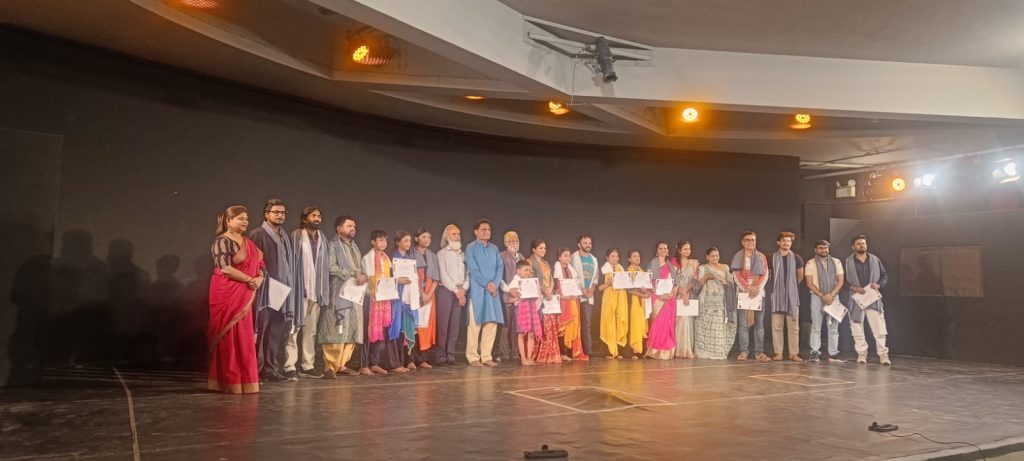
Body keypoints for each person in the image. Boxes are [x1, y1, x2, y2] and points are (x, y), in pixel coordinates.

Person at [207, 206, 264, 394]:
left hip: (245, 294)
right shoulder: (222, 241)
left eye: (246, 218)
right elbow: (224, 268)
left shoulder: (249, 243)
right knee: (228, 337)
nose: (245, 221)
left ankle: (246, 381)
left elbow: (261, 264)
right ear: (228, 221)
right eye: (240, 218)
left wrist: (259, 278)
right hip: (227, 293)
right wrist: (249, 279)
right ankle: (228, 381)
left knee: (244, 337)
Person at [248, 199, 300, 382]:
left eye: (283, 213)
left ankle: (270, 370)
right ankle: (254, 371)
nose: (280, 215)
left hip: (281, 291)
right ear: (266, 214)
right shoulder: (258, 234)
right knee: (260, 331)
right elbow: (253, 263)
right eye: (276, 212)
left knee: (276, 331)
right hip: (264, 291)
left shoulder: (284, 236)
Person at [319, 215, 367, 378]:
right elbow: (331, 267)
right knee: (335, 328)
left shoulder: (355, 247)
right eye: (349, 226)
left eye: (354, 226)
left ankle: (342, 365)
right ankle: (330, 367)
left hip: (354, 294)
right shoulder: (332, 245)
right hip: (337, 294)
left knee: (352, 328)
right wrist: (353, 274)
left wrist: (363, 276)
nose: (353, 228)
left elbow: (359, 269)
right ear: (339, 229)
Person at [286, 207, 329, 378]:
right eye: (313, 215)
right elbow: (291, 262)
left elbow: (324, 266)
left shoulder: (322, 238)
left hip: (316, 291)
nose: (317, 218)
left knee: (311, 331)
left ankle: (307, 365)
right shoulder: (296, 235)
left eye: (319, 216)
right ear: (305, 219)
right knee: (293, 328)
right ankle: (289, 365)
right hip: (299, 290)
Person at [361, 230, 404, 374]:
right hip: (371, 299)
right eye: (380, 240)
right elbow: (366, 279)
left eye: (385, 240)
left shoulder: (386, 258)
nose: (384, 243)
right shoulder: (367, 258)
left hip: (384, 299)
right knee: (369, 332)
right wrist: (372, 293)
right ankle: (365, 364)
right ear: (373, 242)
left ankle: (375, 363)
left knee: (380, 331)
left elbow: (389, 278)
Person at [464, 219, 505, 367]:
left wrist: (495, 284)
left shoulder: (494, 248)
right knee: (475, 324)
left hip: (493, 291)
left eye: (488, 229)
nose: (486, 232)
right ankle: (473, 357)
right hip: (478, 291)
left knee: (491, 323)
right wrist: (487, 284)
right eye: (483, 229)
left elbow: (500, 268)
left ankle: (486, 356)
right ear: (476, 231)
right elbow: (473, 270)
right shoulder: (471, 248)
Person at [846, 235, 891, 365]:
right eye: (859, 244)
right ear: (853, 247)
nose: (862, 245)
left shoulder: (875, 259)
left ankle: (883, 355)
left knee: (879, 328)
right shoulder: (848, 262)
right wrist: (854, 288)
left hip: (872, 298)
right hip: (856, 299)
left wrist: (879, 285)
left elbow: (884, 275)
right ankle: (861, 354)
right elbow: (842, 280)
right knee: (857, 328)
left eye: (863, 243)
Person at [731, 230, 770, 362]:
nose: (750, 242)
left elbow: (765, 274)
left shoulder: (761, 256)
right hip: (743, 294)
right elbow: (736, 275)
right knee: (743, 324)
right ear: (742, 242)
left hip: (758, 293)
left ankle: (759, 352)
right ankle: (744, 351)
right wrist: (748, 288)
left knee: (759, 324)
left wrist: (756, 288)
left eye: (753, 240)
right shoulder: (738, 256)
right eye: (747, 240)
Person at [805, 239, 845, 363]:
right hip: (817, 296)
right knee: (816, 326)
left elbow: (840, 281)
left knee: (833, 327)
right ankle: (814, 352)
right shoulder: (810, 263)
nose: (824, 250)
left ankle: (833, 354)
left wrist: (831, 295)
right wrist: (822, 295)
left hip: (834, 297)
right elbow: (809, 283)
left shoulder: (837, 262)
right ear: (815, 250)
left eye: (826, 248)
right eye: (821, 248)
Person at [694, 247, 737, 360]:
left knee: (719, 326)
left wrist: (725, 282)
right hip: (707, 301)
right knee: (706, 326)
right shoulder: (703, 268)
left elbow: (731, 284)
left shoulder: (725, 267)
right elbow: (697, 286)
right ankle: (704, 352)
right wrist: (706, 277)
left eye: (717, 255)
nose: (715, 258)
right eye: (712, 256)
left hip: (721, 301)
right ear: (707, 257)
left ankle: (718, 352)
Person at [768, 231, 804, 362]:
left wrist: (790, 289)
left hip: (792, 298)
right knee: (777, 327)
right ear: (778, 242)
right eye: (784, 241)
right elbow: (769, 276)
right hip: (777, 297)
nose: (786, 243)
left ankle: (793, 353)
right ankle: (778, 353)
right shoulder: (771, 257)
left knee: (794, 327)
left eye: (789, 241)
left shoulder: (797, 258)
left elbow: (800, 276)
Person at [435, 224, 467, 366]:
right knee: (443, 324)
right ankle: (441, 354)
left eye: (458, 234)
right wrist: (456, 290)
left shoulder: (463, 254)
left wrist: (463, 289)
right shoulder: (441, 254)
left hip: (460, 291)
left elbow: (468, 274)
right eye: (454, 234)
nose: (457, 237)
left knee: (455, 325)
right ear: (447, 237)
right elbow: (444, 275)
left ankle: (451, 353)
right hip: (447, 291)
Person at [392, 231, 420, 370]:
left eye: (409, 241)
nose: (408, 243)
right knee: (399, 330)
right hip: (398, 300)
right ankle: (399, 361)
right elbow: (388, 278)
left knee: (409, 328)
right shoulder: (393, 258)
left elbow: (415, 278)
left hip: (410, 298)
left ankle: (409, 359)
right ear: (398, 242)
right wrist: (398, 280)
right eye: (405, 241)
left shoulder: (410, 259)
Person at [554, 248, 588, 361]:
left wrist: (577, 294)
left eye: (569, 256)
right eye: (565, 255)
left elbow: (575, 286)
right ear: (559, 257)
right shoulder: (556, 271)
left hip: (572, 301)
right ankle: (562, 352)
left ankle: (570, 352)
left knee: (573, 325)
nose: (568, 258)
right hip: (562, 302)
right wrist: (563, 297)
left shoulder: (571, 270)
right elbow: (555, 290)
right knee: (563, 326)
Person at [530, 240, 561, 364]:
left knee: (549, 324)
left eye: (545, 248)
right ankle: (538, 353)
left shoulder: (545, 262)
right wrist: (544, 291)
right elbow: (533, 279)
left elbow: (551, 279)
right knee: (539, 324)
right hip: (537, 297)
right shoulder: (529, 262)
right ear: (534, 250)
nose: (544, 250)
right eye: (541, 248)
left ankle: (550, 352)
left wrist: (550, 290)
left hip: (548, 296)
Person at [412, 228, 439, 369]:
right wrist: (421, 293)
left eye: (429, 237)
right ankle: (411, 359)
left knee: (426, 326)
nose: (427, 239)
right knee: (414, 326)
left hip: (430, 293)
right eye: (423, 237)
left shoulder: (432, 255)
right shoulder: (411, 253)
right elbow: (413, 276)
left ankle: (422, 359)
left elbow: (436, 278)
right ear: (416, 238)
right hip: (414, 291)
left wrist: (428, 295)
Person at [645, 242, 677, 360]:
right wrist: (660, 296)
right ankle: (654, 351)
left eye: (665, 248)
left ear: (668, 251)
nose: (663, 250)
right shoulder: (652, 264)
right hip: (657, 298)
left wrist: (672, 293)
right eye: (660, 248)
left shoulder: (671, 266)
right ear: (656, 251)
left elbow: (676, 283)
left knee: (667, 325)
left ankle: (667, 352)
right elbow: (649, 282)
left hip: (669, 299)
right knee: (657, 324)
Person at [504, 260, 539, 365]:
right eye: (525, 270)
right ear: (518, 271)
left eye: (529, 270)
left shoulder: (531, 281)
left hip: (531, 307)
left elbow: (536, 294)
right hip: (521, 308)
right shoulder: (515, 282)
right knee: (522, 333)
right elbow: (509, 294)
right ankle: (523, 358)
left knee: (531, 333)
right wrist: (515, 298)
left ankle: (529, 357)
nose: (528, 272)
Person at [570, 235, 599, 358]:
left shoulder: (594, 259)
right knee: (574, 323)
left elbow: (596, 277)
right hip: (575, 295)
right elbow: (572, 275)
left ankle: (587, 350)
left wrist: (591, 290)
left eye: (589, 243)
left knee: (587, 323)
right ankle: (573, 350)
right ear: (579, 244)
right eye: (585, 242)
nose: (588, 245)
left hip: (588, 296)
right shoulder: (573, 257)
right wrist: (582, 289)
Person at [498, 231, 524, 362]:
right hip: (506, 297)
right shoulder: (501, 256)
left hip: (519, 298)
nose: (514, 243)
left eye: (516, 240)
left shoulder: (521, 256)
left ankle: (515, 353)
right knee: (505, 327)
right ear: (505, 243)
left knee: (517, 327)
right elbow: (499, 278)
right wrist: (509, 290)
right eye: (511, 241)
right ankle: (504, 353)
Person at [672, 241, 701, 359]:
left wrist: (686, 292)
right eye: (685, 249)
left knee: (687, 320)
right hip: (676, 294)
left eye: (689, 249)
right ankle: (677, 350)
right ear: (679, 250)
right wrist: (680, 291)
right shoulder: (673, 263)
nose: (688, 251)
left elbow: (694, 280)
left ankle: (686, 350)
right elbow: (672, 280)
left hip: (688, 295)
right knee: (677, 321)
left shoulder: (693, 264)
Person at [598, 248, 628, 358]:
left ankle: (619, 351)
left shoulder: (621, 269)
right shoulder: (603, 270)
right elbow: (599, 288)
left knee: (619, 322)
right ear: (607, 258)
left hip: (620, 299)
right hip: (608, 300)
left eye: (616, 256)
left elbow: (627, 284)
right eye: (612, 256)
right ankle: (609, 351)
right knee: (608, 323)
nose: (615, 258)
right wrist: (608, 284)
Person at [624, 249, 650, 360]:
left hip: (641, 302)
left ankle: (640, 350)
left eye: (638, 256)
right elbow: (628, 290)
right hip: (632, 301)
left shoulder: (642, 271)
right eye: (634, 256)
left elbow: (645, 286)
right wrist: (641, 294)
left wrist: (646, 292)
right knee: (634, 324)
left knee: (641, 324)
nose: (637, 258)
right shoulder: (627, 271)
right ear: (629, 259)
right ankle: (633, 351)